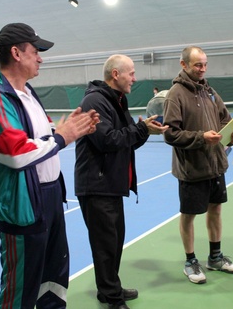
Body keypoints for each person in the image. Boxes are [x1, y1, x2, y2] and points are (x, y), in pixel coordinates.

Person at [0, 22, 99, 309]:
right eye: (36, 51)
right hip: (22, 207)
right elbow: (15, 153)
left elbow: (44, 140)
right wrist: (63, 137)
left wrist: (74, 130)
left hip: (50, 199)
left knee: (52, 280)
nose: (40, 57)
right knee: (21, 290)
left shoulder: (28, 94)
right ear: (16, 53)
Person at [74, 54, 167, 309]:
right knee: (105, 245)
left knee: (114, 241)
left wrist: (146, 129)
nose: (134, 78)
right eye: (132, 73)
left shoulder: (118, 101)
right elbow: (108, 140)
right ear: (116, 74)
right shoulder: (94, 101)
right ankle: (112, 299)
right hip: (96, 185)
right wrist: (140, 129)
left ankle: (109, 290)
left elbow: (129, 140)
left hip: (111, 185)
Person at [163, 46, 233, 285]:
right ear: (184, 64)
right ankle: (190, 261)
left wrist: (232, 133)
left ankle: (215, 258)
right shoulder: (175, 94)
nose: (203, 69)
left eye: (205, 64)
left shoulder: (209, 91)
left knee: (215, 209)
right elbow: (170, 134)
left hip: (216, 164)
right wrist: (201, 138)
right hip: (192, 169)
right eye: (198, 65)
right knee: (189, 216)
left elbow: (224, 119)